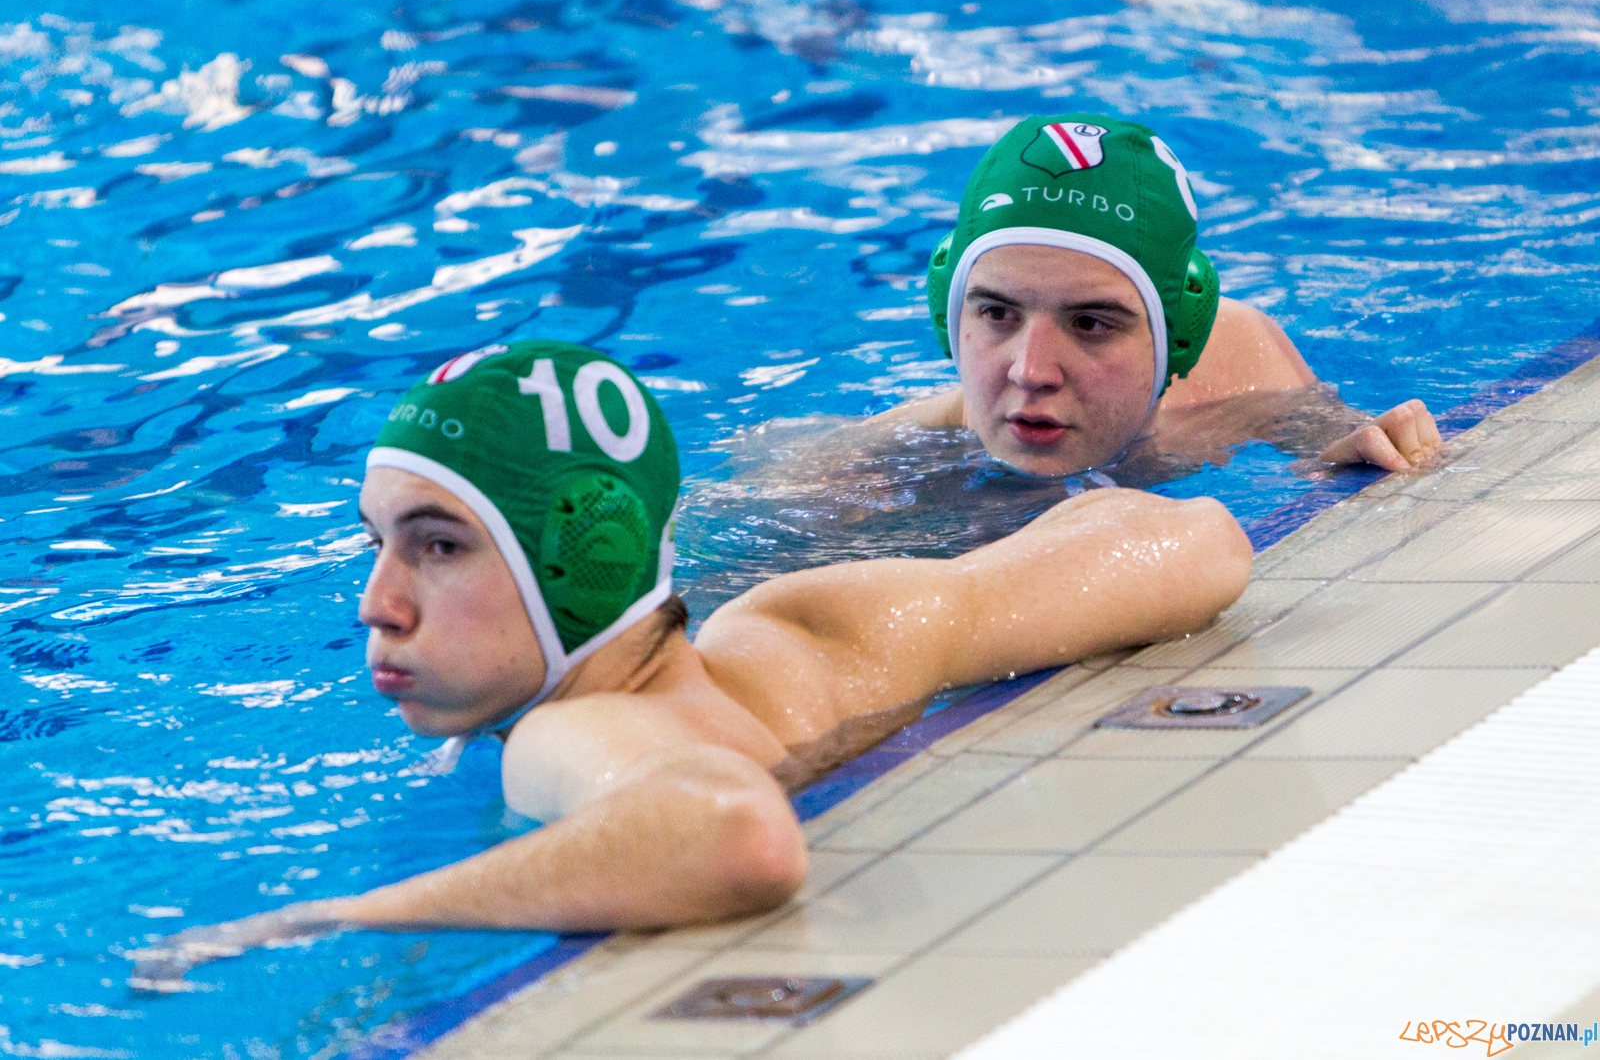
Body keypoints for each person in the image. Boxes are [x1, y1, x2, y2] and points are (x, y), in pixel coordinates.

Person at [132, 340, 1250, 982]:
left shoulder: (561, 737)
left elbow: (737, 833)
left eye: (437, 545)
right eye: (378, 543)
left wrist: (334, 914)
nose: (377, 605)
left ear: (584, 557)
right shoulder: (803, 631)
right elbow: (1195, 540)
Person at [869, 112, 1444, 480]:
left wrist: (1368, 451)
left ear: (1180, 335)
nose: (1032, 371)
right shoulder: (879, 480)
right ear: (948, 312)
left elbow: (1337, 442)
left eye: (1091, 323)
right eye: (996, 312)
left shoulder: (1244, 367)